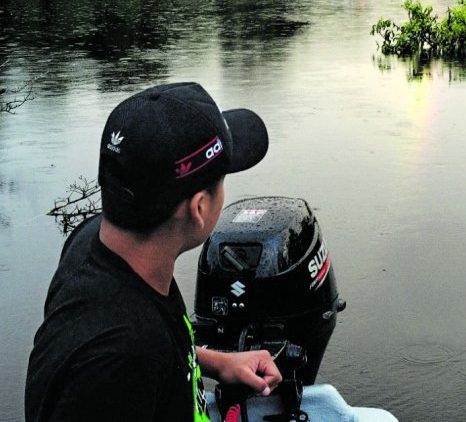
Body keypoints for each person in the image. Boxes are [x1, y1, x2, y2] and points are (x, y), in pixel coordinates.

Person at [26, 82, 283, 421]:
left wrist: (216, 362)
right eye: (222, 180)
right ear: (200, 207)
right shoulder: (118, 364)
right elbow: (127, 361)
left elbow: (154, 346)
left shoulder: (94, 239)